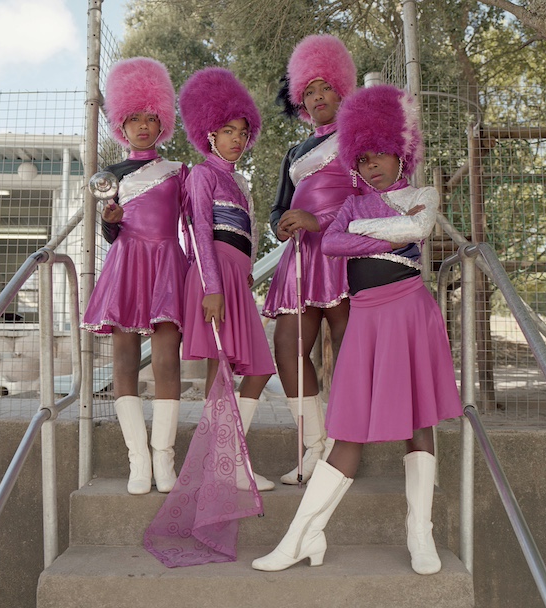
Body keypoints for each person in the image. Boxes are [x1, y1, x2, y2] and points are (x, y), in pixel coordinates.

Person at [252, 84, 464, 575]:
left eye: (381, 156)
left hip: (410, 311)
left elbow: (418, 229)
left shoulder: (422, 194)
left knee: (417, 424)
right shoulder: (351, 205)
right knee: (347, 430)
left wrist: (364, 230)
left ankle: (420, 535)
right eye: (362, 159)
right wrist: (377, 225)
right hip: (366, 317)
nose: (372, 167)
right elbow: (332, 247)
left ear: (401, 153)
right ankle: (300, 538)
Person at [81, 58, 189, 495]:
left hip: (167, 263)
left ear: (162, 122)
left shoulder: (179, 171)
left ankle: (164, 458)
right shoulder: (110, 177)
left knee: (167, 361)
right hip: (126, 264)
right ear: (120, 126)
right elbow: (111, 234)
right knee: (124, 361)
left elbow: (191, 224)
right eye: (133, 119)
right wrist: (110, 221)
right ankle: (138, 460)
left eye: (151, 118)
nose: (143, 126)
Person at [262, 35, 360, 484]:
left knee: (348, 350)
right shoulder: (294, 152)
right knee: (287, 348)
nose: (318, 97)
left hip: (343, 250)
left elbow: (377, 196)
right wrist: (281, 224)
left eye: (324, 87)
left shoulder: (360, 137)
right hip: (299, 259)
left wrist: (321, 220)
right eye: (309, 92)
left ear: (342, 88)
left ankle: (344, 451)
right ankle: (313, 448)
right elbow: (279, 208)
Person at [179, 67, 277, 491]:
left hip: (237, 278)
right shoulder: (202, 174)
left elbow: (247, 230)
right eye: (226, 130)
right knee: (219, 372)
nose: (236, 138)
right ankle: (227, 464)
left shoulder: (239, 182)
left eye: (242, 130)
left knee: (257, 368)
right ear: (209, 135)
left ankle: (227, 456)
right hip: (213, 277)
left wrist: (249, 268)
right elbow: (200, 231)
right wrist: (214, 289)